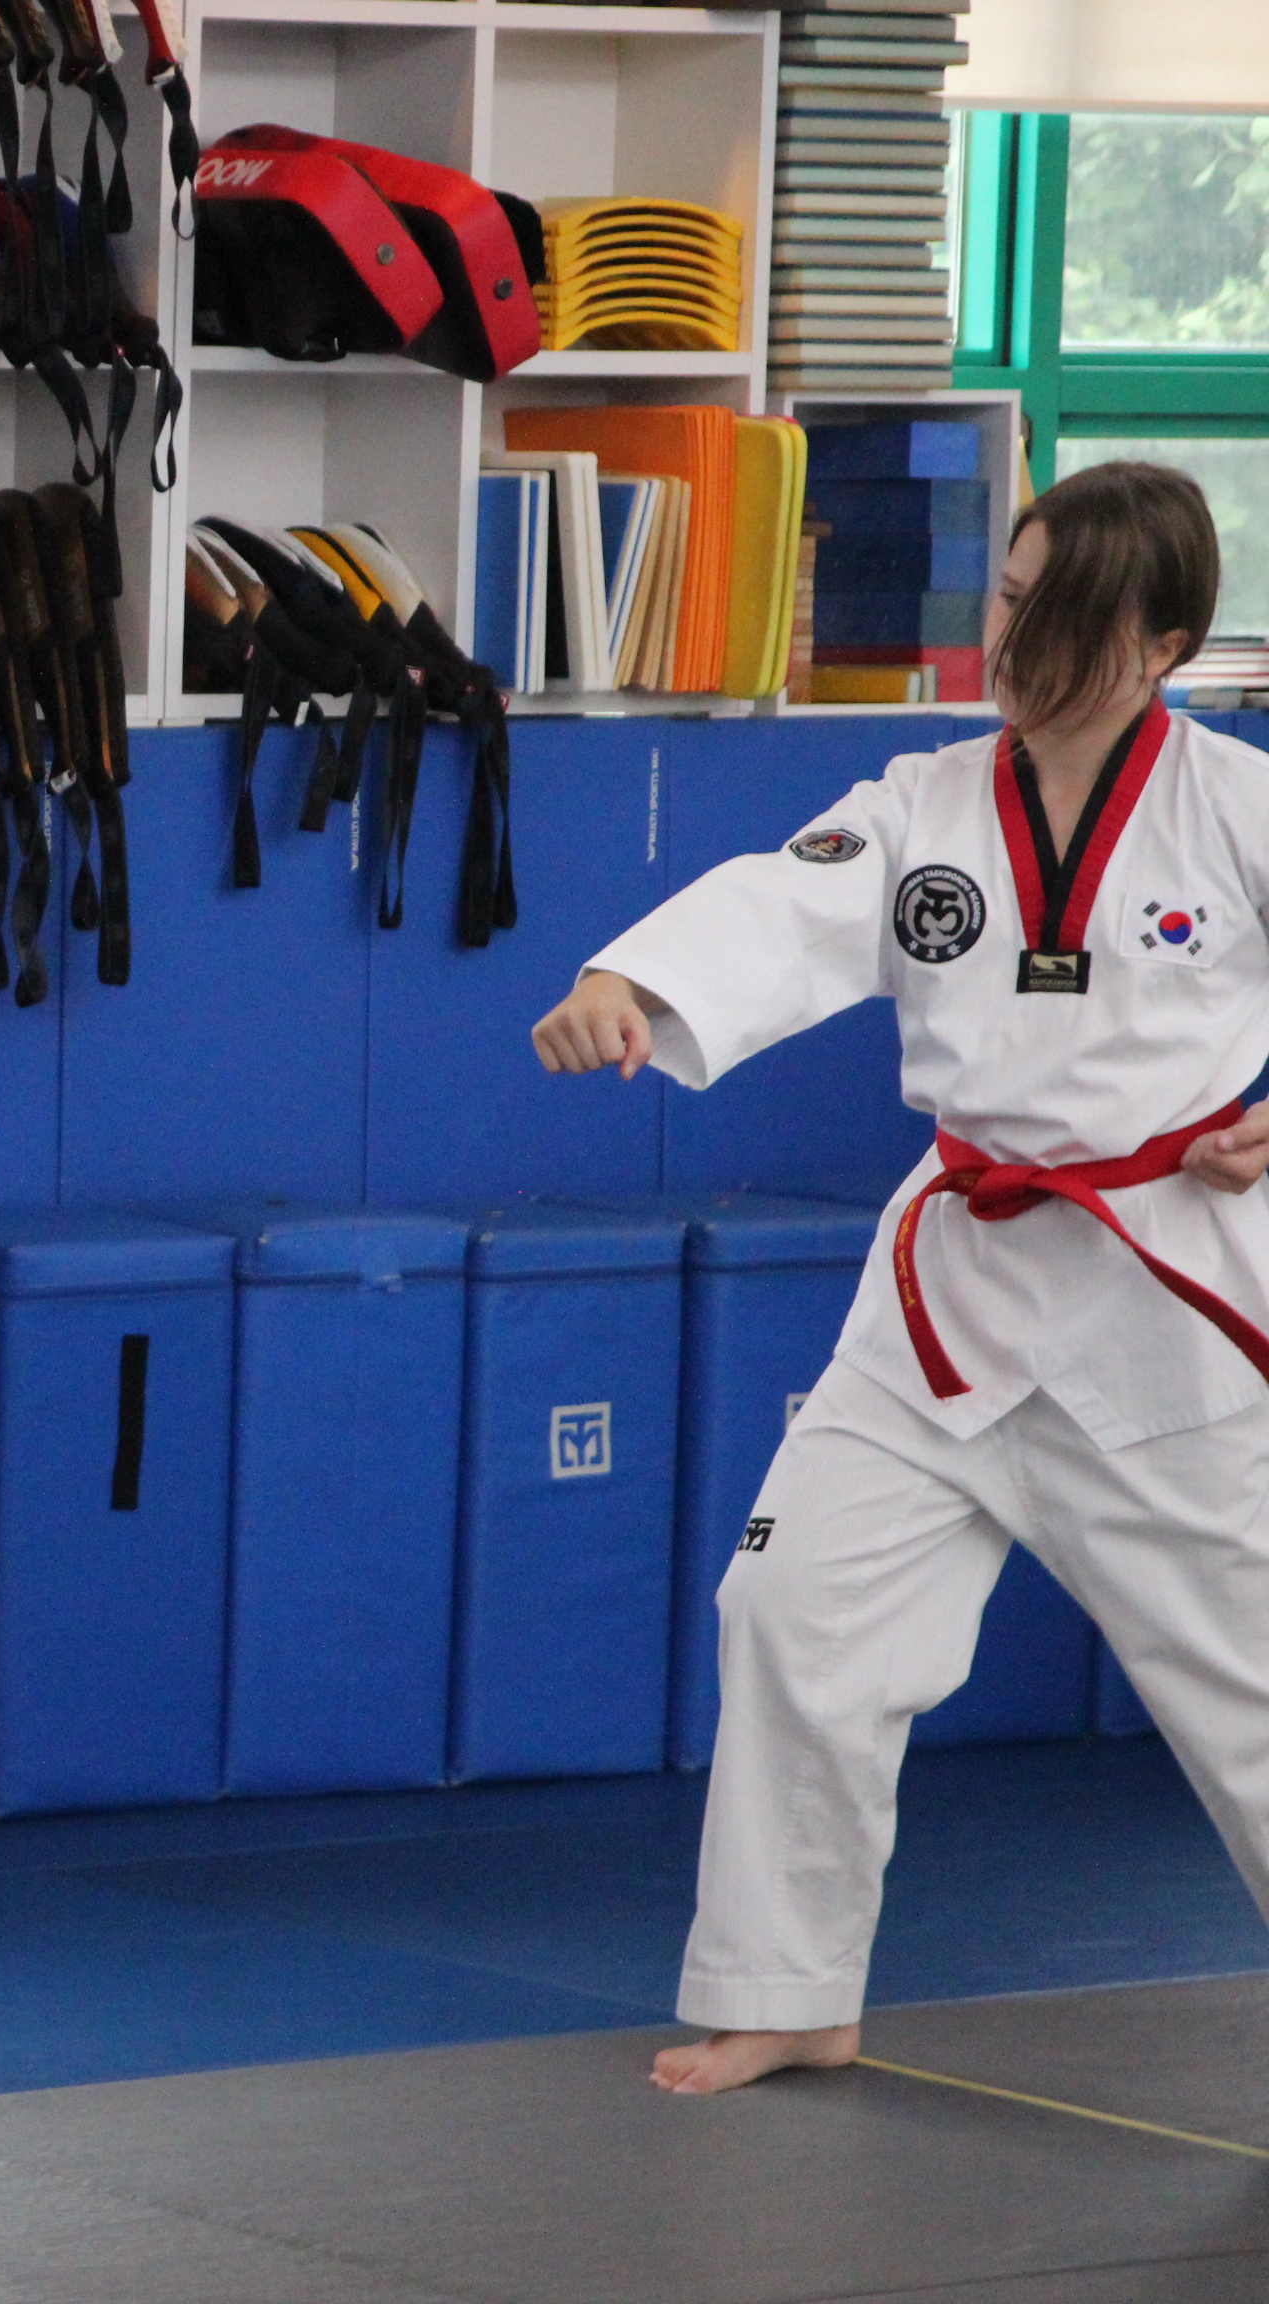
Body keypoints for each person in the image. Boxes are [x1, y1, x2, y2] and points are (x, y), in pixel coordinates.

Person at [532, 461, 1269, 2097]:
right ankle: (790, 1988)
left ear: (1163, 646)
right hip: (945, 1307)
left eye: (1067, 618)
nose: (1019, 642)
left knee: (1254, 1697)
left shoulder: (1239, 810)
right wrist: (627, 982)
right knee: (793, 1605)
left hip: (1158, 1306)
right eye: (1009, 598)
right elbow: (777, 908)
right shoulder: (922, 805)